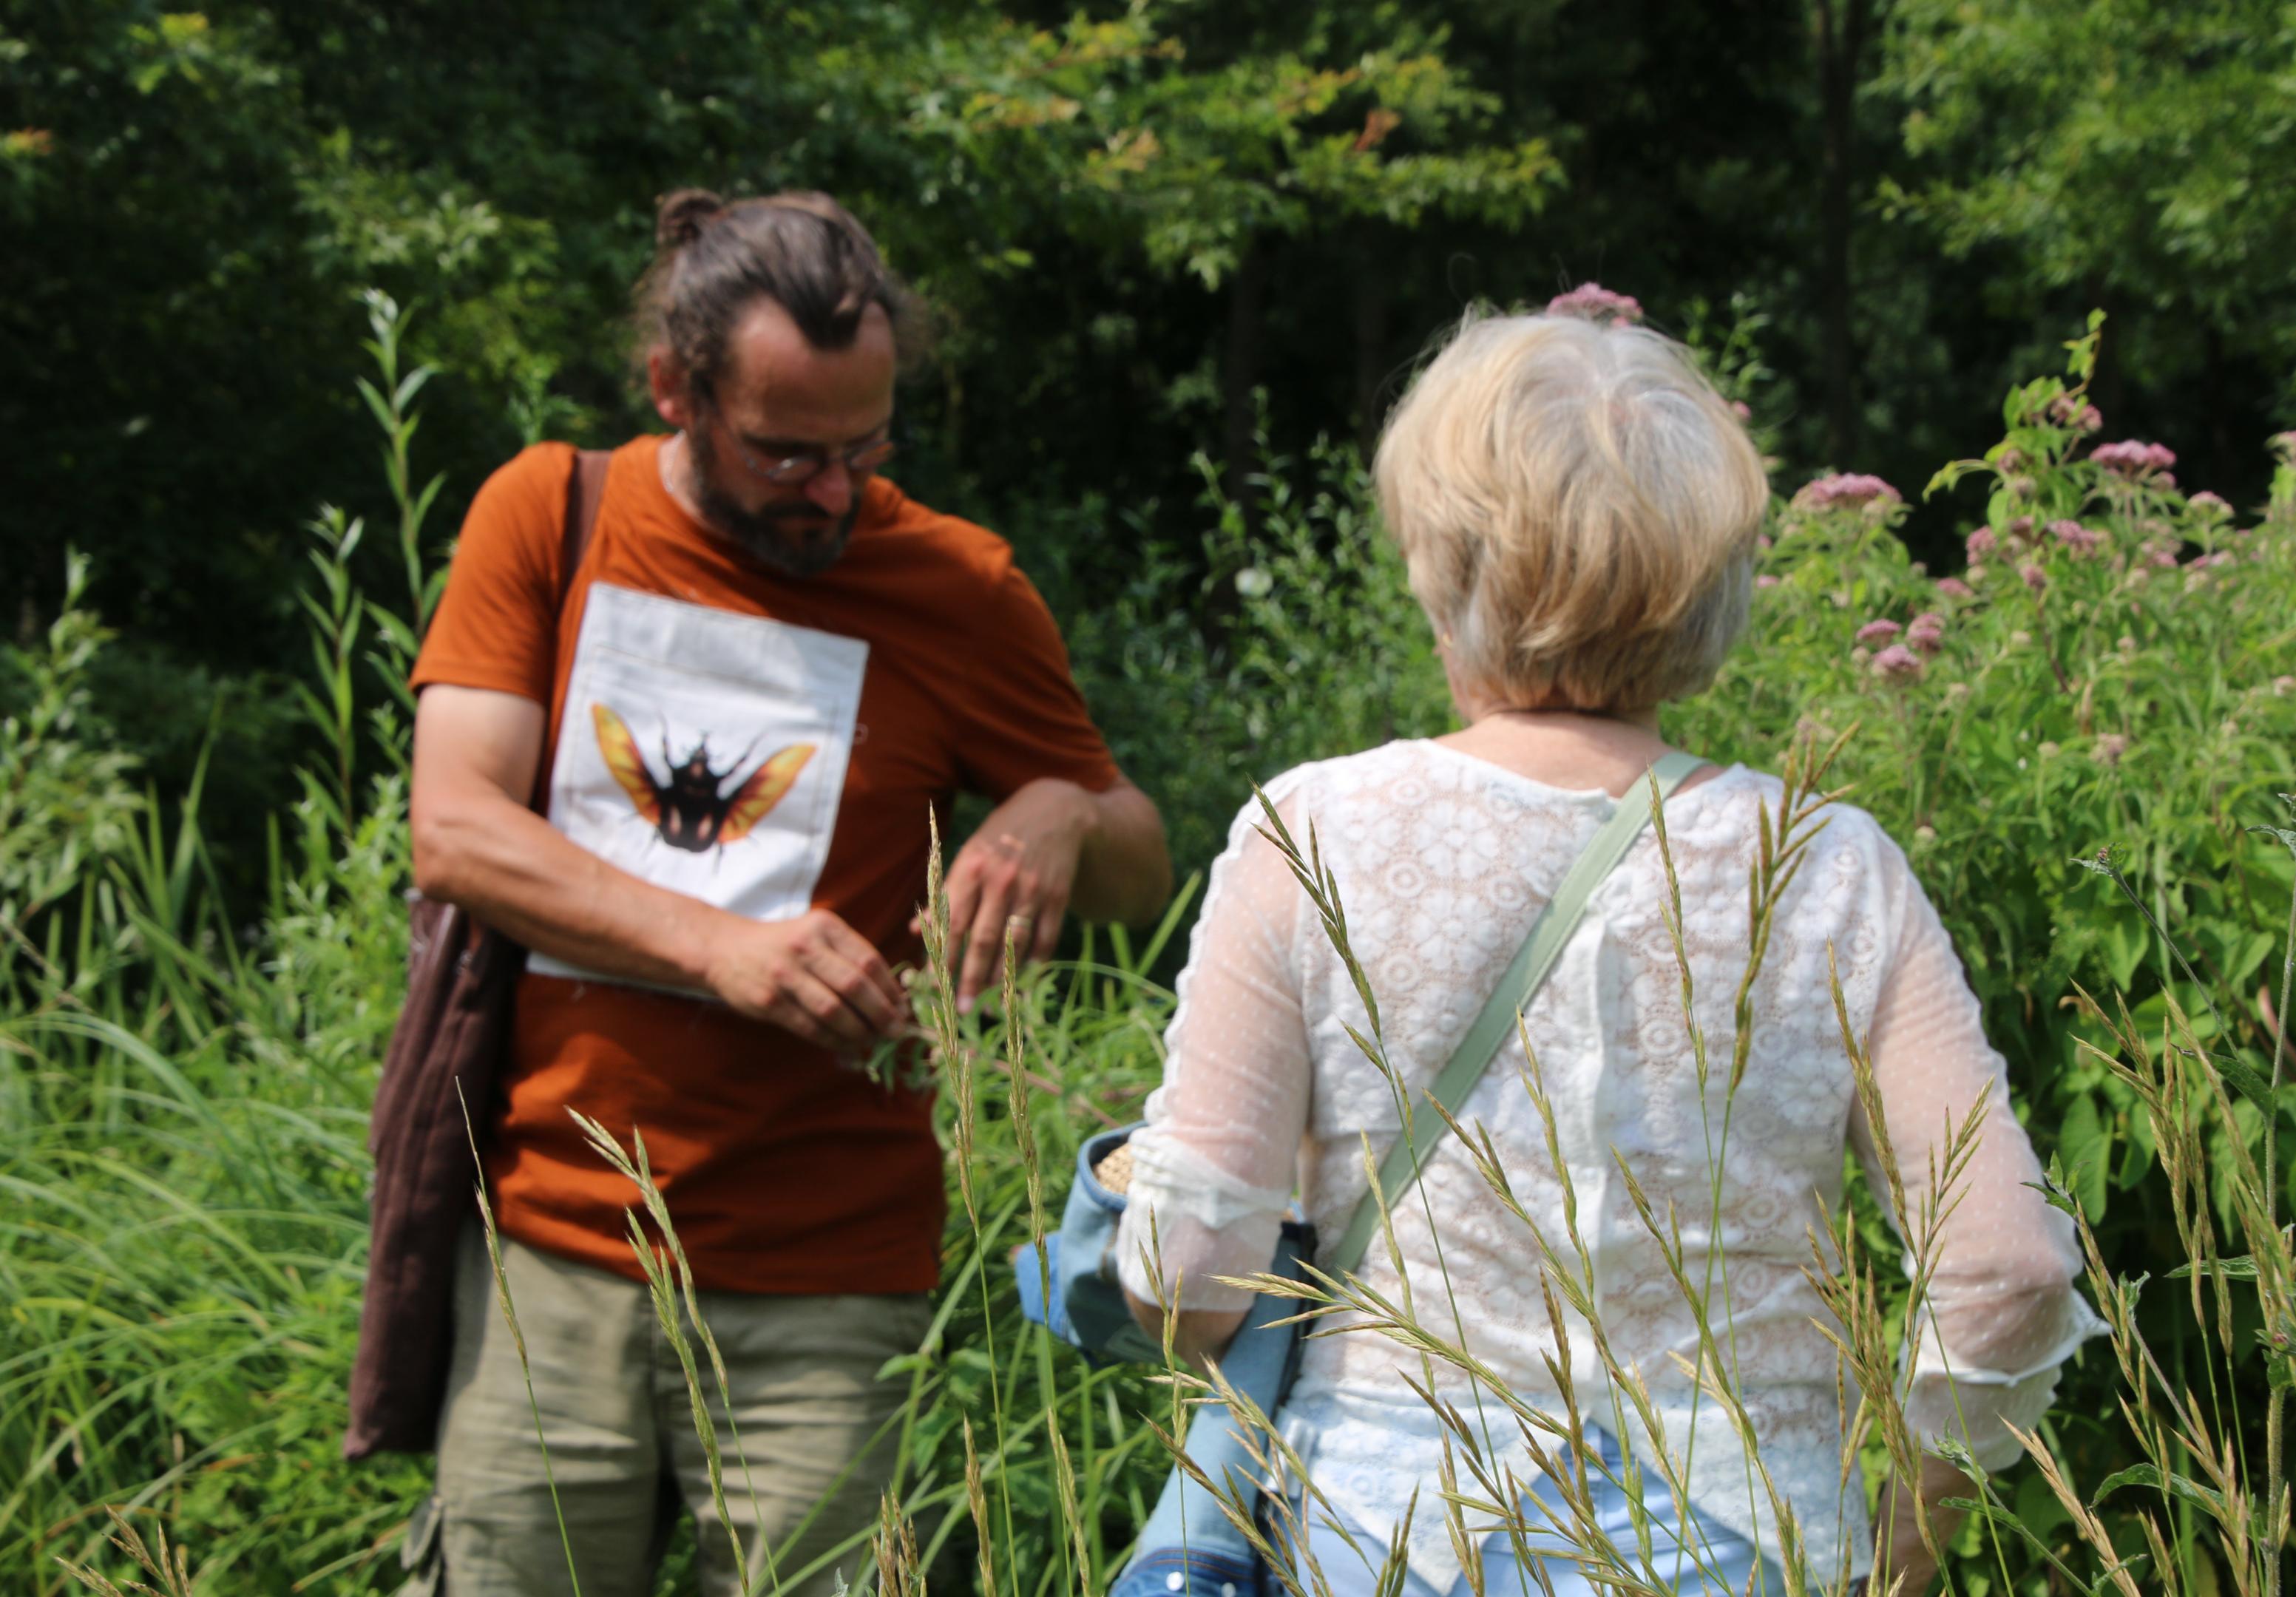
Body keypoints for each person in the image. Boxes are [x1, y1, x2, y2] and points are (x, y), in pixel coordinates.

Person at [1114, 301, 2102, 1596]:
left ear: (1442, 559)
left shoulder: (1316, 833)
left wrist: (1138, 1216)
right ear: (1712, 578)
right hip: (1753, 1530)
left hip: (1389, 1532)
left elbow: (1192, 1284)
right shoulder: (1829, 861)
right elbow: (2009, 1270)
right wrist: (1908, 1541)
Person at [400, 188, 1172, 1597]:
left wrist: (1060, 807)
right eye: (787, 453)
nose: (835, 490)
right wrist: (722, 947)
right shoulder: (551, 513)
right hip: (549, 1250)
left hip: (828, 1278)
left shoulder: (958, 588)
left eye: (866, 446)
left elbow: (1140, 861)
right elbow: (456, 830)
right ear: (674, 390)